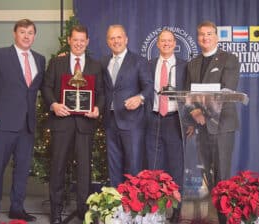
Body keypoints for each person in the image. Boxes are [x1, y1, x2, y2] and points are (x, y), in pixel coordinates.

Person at [0, 19, 45, 224]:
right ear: (14, 34)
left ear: (34, 36)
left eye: (30, 32)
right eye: (22, 32)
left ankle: (16, 208)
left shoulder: (40, 60)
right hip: (2, 124)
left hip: (27, 126)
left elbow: (43, 86)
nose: (26, 36)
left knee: (22, 169)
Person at [41, 24, 104, 224]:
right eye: (75, 39)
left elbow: (102, 93)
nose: (78, 43)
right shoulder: (56, 63)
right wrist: (53, 104)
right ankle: (56, 212)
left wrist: (98, 109)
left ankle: (83, 210)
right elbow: (46, 86)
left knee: (84, 170)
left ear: (87, 42)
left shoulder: (95, 65)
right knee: (58, 168)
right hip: (62, 123)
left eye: (82, 40)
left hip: (85, 125)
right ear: (69, 40)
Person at [186, 20, 240, 224]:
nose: (205, 38)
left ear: (216, 37)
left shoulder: (230, 59)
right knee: (206, 174)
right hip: (200, 126)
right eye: (201, 34)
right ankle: (209, 217)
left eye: (209, 34)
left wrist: (203, 110)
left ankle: (224, 219)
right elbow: (187, 95)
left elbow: (227, 90)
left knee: (222, 174)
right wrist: (195, 112)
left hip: (222, 125)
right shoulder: (193, 64)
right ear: (197, 37)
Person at [101, 24, 153, 187]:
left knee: (133, 166)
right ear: (107, 41)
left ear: (126, 39)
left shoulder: (139, 61)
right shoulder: (103, 62)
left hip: (132, 122)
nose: (116, 41)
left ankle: (133, 207)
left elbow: (149, 86)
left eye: (119, 37)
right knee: (114, 166)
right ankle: (117, 205)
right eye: (112, 38)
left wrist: (140, 98)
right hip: (110, 122)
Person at [145, 29, 187, 223]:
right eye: (163, 41)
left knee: (176, 167)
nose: (166, 44)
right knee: (154, 167)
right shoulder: (148, 65)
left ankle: (176, 211)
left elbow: (192, 96)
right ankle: (157, 210)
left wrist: (191, 122)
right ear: (157, 43)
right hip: (152, 120)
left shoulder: (185, 66)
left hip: (174, 120)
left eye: (170, 41)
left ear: (175, 43)